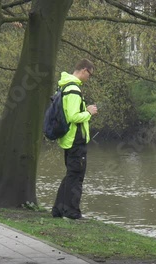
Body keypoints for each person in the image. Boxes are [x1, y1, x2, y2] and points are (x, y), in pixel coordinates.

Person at [51, 59, 97, 220]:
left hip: (68, 138)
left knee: (71, 175)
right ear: (84, 70)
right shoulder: (73, 89)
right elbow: (73, 116)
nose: (88, 78)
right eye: (89, 75)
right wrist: (89, 112)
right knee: (77, 176)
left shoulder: (64, 86)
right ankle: (72, 212)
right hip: (76, 140)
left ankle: (58, 209)